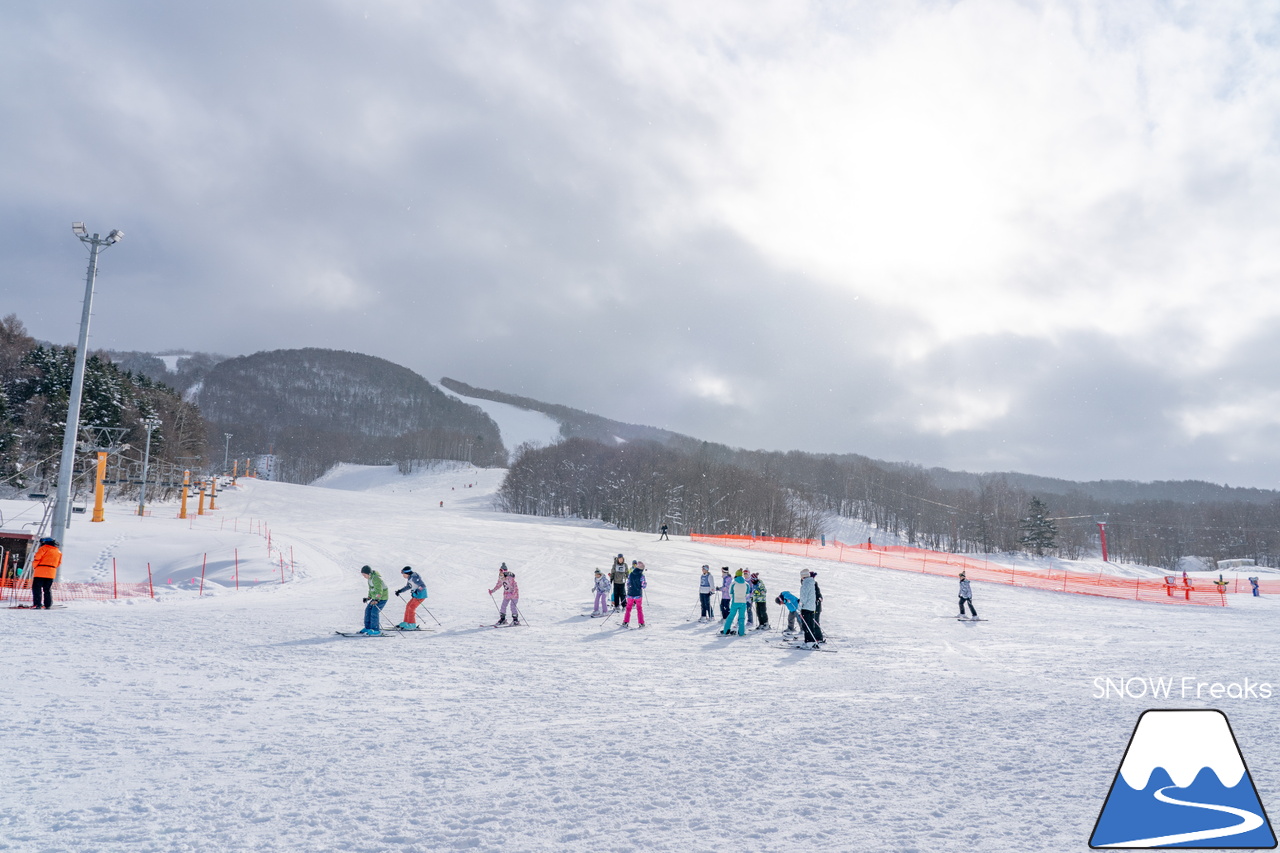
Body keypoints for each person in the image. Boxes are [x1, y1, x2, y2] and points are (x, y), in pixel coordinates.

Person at [31, 537, 61, 610]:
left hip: (40, 571)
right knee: (47, 589)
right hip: (51, 572)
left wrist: (34, 566)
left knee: (36, 588)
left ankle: (37, 604)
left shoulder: (43, 548)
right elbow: (58, 563)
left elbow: (37, 558)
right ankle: (48, 604)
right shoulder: (58, 551)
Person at [394, 566, 427, 630]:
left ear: (407, 573)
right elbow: (408, 586)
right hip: (416, 595)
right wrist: (400, 591)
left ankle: (412, 624)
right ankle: (406, 622)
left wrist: (417, 591)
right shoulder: (410, 578)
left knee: (411, 607)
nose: (403, 575)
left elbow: (423, 586)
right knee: (408, 606)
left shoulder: (414, 577)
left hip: (421, 595)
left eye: (403, 574)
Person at [359, 566, 389, 635]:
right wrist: (368, 598)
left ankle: (375, 630)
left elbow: (379, 590)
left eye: (364, 575)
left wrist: (377, 599)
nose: (364, 576)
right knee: (368, 610)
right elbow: (371, 589)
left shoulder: (376, 579)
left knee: (374, 612)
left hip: (382, 598)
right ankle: (368, 627)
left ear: (368, 573)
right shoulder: (370, 579)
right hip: (375, 598)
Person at [798, 570, 825, 647]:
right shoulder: (812, 583)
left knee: (806, 625)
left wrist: (799, 607)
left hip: (806, 607)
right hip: (811, 607)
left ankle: (809, 642)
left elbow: (803, 598)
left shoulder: (806, 584)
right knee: (810, 624)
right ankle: (812, 641)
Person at [721, 569, 751, 636]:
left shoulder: (733, 583)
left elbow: (730, 593)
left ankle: (726, 630)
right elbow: (747, 594)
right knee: (742, 617)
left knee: (731, 616)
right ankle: (741, 632)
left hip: (735, 602)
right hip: (743, 602)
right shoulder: (746, 584)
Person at [622, 561, 647, 627]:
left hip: (630, 594)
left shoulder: (631, 574)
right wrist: (644, 584)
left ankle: (625, 622)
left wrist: (630, 589)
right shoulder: (642, 576)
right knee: (639, 608)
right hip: (638, 595)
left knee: (628, 608)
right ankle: (641, 623)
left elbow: (628, 583)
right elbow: (643, 586)